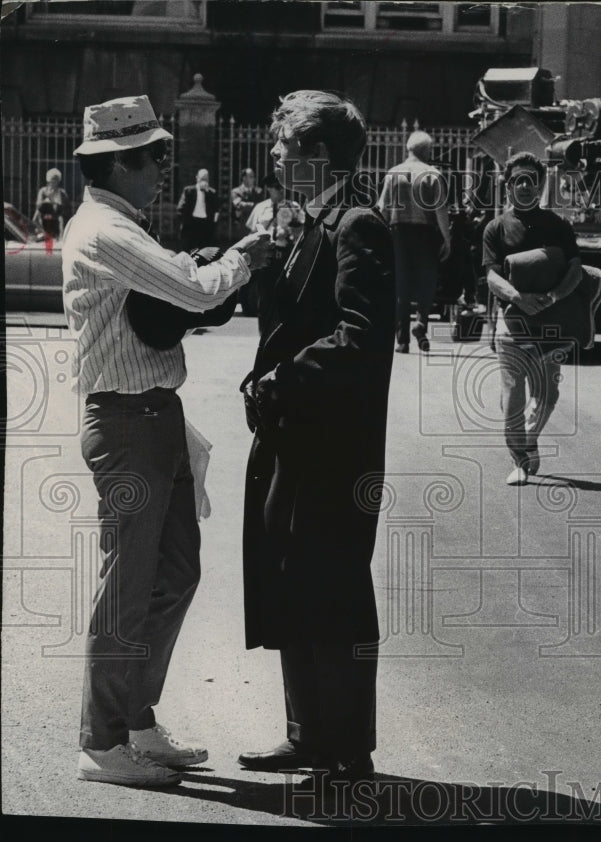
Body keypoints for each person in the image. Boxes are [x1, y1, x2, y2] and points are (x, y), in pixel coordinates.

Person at [61, 94, 270, 787]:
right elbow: (197, 290)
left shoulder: (124, 224)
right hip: (127, 422)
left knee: (175, 572)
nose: (161, 166)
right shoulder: (107, 233)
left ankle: (138, 721)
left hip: (152, 415)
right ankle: (102, 741)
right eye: (152, 156)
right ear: (117, 163)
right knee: (127, 586)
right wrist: (247, 250)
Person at [238, 90, 395, 787]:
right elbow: (290, 321)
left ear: (318, 156)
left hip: (334, 442)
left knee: (333, 587)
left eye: (285, 147)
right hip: (293, 433)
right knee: (288, 577)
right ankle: (307, 735)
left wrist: (281, 380)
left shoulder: (358, 223)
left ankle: (348, 750)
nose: (274, 156)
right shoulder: (307, 220)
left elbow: (360, 335)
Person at [482, 151, 582, 486]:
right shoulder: (495, 229)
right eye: (517, 180)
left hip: (551, 325)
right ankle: (520, 460)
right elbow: (492, 276)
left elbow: (576, 270)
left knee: (548, 394)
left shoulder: (558, 226)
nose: (524, 186)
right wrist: (517, 298)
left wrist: (554, 296)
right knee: (512, 396)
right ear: (506, 185)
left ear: (540, 185)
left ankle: (527, 439)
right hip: (511, 324)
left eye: (531, 180)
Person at [376, 130, 450, 353]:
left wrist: (382, 237)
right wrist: (447, 238)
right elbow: (440, 210)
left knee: (402, 286)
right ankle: (421, 323)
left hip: (398, 232)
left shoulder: (393, 173)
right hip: (426, 232)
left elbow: (383, 209)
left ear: (407, 149)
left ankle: (402, 340)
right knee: (427, 281)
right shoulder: (433, 174)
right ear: (427, 150)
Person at [244, 172, 304, 331]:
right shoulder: (261, 208)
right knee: (265, 296)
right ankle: (264, 333)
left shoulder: (293, 207)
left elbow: (303, 232)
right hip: (266, 256)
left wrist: (291, 231)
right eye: (277, 187)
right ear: (269, 188)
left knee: (286, 296)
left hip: (285, 255)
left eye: (283, 187)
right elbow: (251, 233)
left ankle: (283, 333)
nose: (282, 190)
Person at [177, 167, 222, 250]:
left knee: (204, 251)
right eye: (202, 178)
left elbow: (217, 209)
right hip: (191, 224)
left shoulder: (212, 192)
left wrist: (213, 224)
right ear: (197, 178)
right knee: (188, 250)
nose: (204, 181)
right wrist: (185, 222)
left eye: (206, 179)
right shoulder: (189, 191)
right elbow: (180, 208)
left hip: (205, 225)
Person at [33, 167, 70, 239]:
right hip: (44, 219)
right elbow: (38, 205)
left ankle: (60, 237)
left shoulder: (62, 192)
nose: (54, 182)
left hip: (57, 220)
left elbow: (66, 208)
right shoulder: (43, 191)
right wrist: (48, 198)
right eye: (52, 179)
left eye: (56, 179)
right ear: (48, 180)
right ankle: (44, 233)